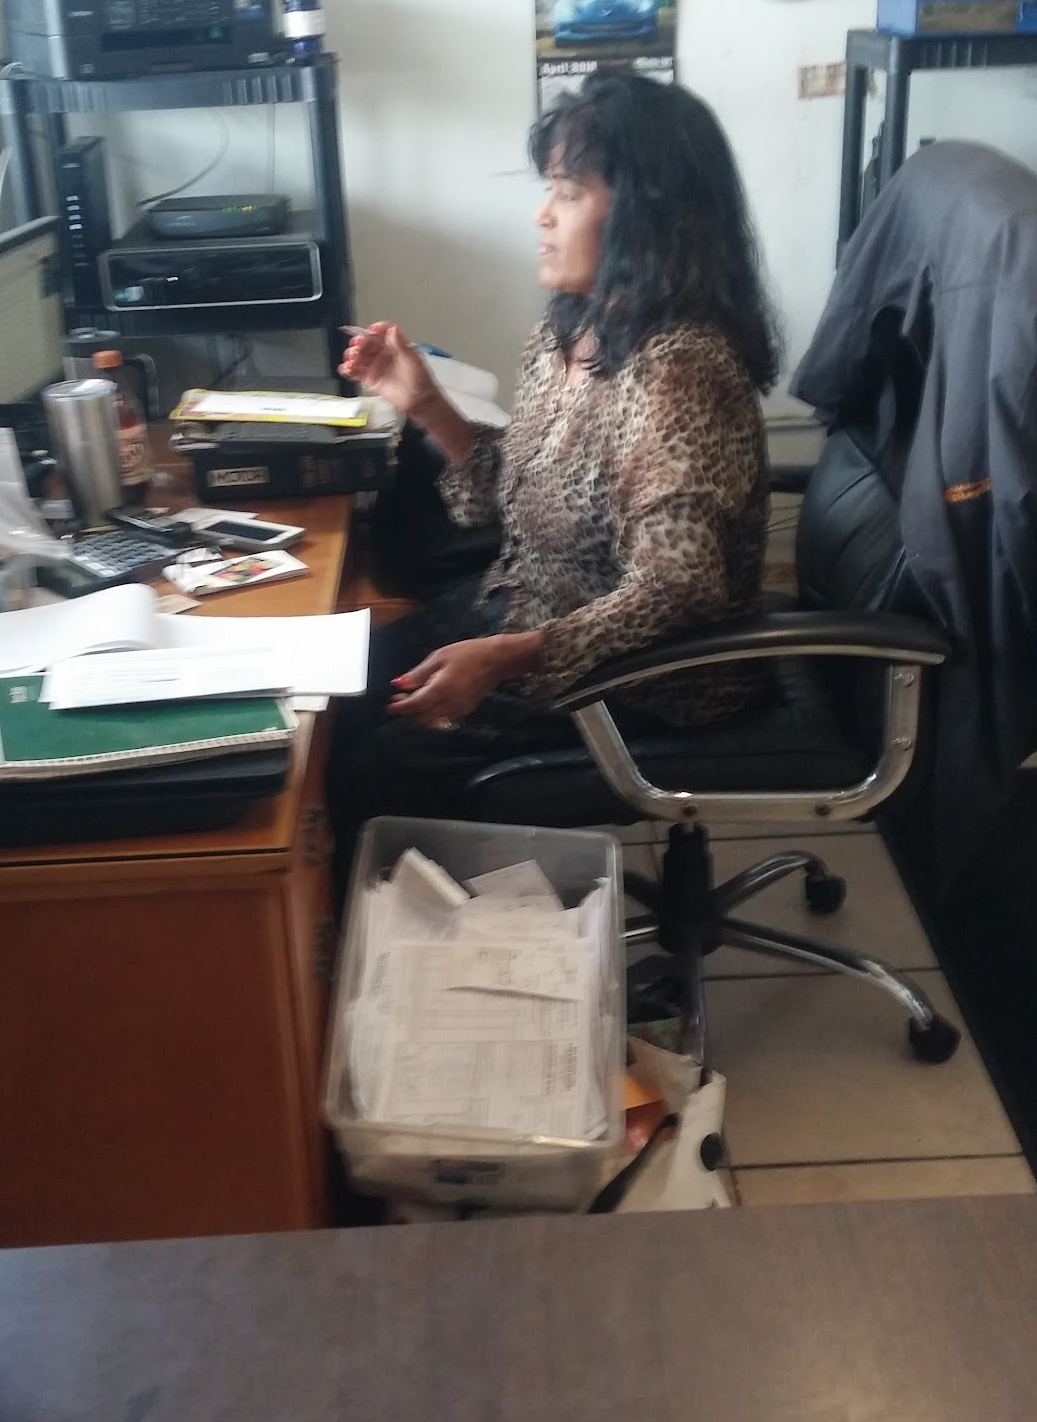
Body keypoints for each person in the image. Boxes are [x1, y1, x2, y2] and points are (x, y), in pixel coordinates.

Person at [327, 68, 780, 898]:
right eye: (548, 189)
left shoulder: (679, 370)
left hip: (647, 677)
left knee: (382, 762)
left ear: (646, 214)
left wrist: (507, 658)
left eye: (567, 193)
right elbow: (512, 498)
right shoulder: (571, 330)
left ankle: (415, 943)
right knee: (343, 685)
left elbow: (679, 590)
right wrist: (426, 406)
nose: (542, 214)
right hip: (529, 610)